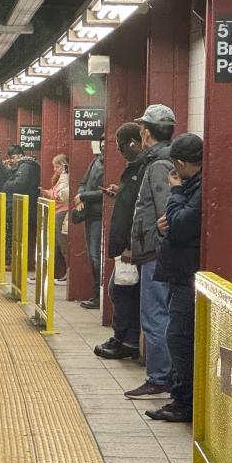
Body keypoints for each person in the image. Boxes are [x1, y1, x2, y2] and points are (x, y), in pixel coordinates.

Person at [146, 133, 203, 423]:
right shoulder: (193, 187)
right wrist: (162, 227)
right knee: (178, 336)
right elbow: (172, 224)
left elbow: (181, 225)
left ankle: (185, 401)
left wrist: (175, 194)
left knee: (179, 338)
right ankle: (180, 397)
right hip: (180, 274)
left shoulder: (194, 189)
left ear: (180, 163)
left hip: (187, 276)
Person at [124, 104, 177, 400]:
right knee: (160, 313)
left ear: (146, 132)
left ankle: (159, 377)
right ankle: (164, 375)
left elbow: (163, 211)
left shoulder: (158, 164)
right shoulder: (165, 159)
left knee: (155, 314)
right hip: (157, 252)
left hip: (155, 254)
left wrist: (151, 248)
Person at [95, 123, 145, 360]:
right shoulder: (135, 167)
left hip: (135, 245)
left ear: (134, 142)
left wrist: (130, 246)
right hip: (130, 243)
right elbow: (133, 200)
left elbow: (142, 210)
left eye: (121, 147)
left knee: (121, 290)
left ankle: (127, 340)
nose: (120, 152)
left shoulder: (146, 167)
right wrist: (120, 191)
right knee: (123, 290)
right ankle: (125, 338)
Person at [75, 140, 106, 308]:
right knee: (92, 254)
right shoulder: (95, 161)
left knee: (95, 256)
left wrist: (83, 196)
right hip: (90, 213)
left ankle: (99, 296)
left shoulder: (107, 163)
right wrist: (80, 195)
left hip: (99, 214)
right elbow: (83, 182)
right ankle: (96, 295)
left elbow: (106, 190)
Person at [3, 145, 41, 264]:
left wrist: (6, 184)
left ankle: (15, 262)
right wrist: (10, 170)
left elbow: (19, 184)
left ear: (20, 155)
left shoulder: (25, 166)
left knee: (18, 236)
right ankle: (16, 262)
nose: (12, 160)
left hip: (24, 207)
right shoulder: (26, 166)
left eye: (13, 157)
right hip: (26, 205)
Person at [41, 154, 70, 282]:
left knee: (62, 243)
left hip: (61, 212)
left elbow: (61, 194)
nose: (54, 169)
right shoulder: (62, 177)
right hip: (58, 211)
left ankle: (68, 273)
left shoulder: (65, 178)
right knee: (58, 243)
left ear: (63, 166)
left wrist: (48, 193)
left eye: (57, 166)